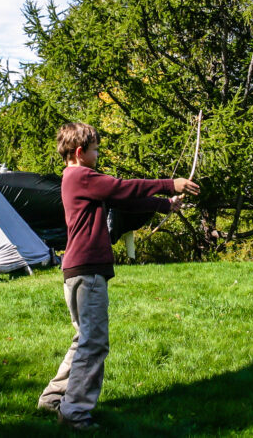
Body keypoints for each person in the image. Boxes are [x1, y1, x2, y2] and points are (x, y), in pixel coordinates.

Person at [38, 122, 200, 430]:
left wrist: (165, 205)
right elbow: (122, 188)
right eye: (96, 149)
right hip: (87, 272)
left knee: (83, 339)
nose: (99, 154)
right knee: (94, 343)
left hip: (77, 270)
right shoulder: (81, 176)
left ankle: (53, 397)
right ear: (79, 152)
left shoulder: (79, 180)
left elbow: (124, 198)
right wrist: (169, 183)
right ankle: (74, 413)